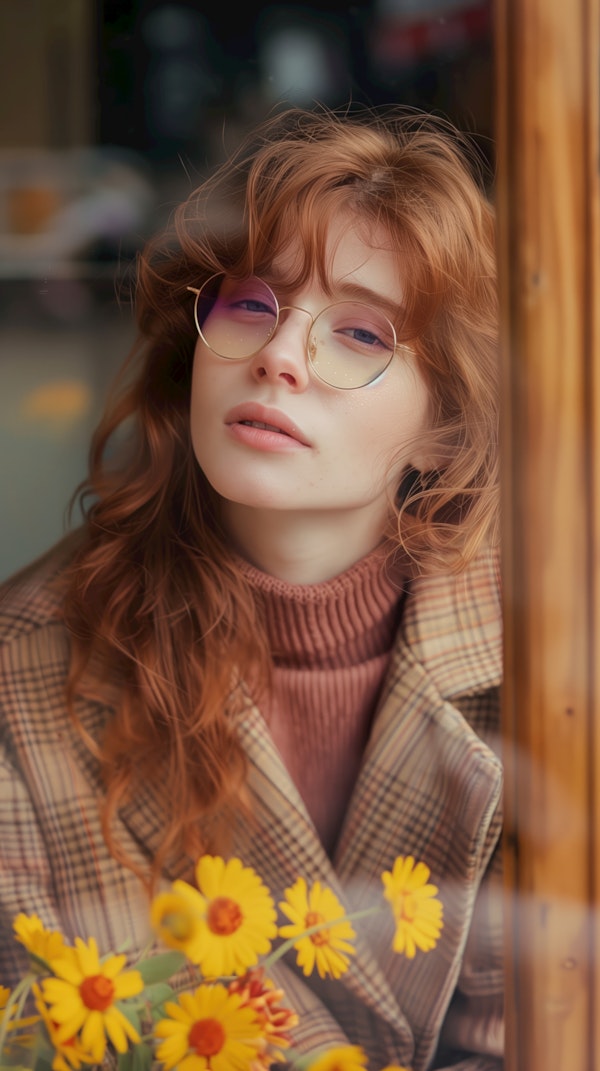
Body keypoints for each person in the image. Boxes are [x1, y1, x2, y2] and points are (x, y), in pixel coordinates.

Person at [0, 104, 502, 1069]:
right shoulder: (26, 668)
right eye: (250, 304)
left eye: (360, 332)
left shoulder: (550, 653)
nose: (278, 356)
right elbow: (46, 1028)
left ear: (445, 424)